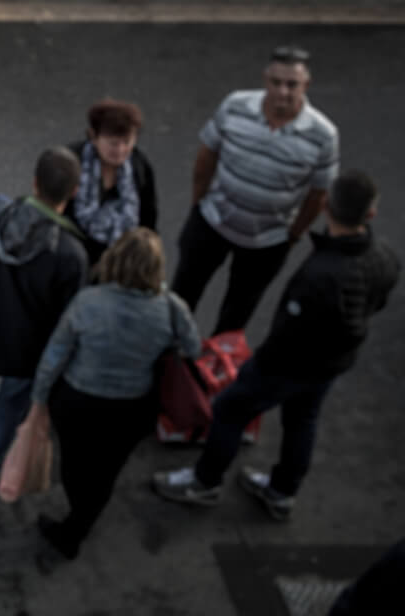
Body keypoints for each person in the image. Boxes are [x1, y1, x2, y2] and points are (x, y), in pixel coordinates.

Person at [153, 170, 398, 518]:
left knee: (228, 409)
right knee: (302, 421)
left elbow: (286, 333)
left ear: (326, 205)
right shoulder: (385, 257)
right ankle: (282, 491)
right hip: (332, 363)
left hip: (288, 365)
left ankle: (205, 481)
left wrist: (259, 366)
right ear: (370, 214)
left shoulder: (321, 274)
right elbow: (377, 302)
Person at [31, 229, 201, 562]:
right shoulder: (171, 307)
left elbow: (54, 357)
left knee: (75, 465)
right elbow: (193, 348)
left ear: (114, 260)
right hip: (132, 409)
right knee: (107, 469)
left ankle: (77, 514)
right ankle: (83, 519)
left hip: (78, 402)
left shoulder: (88, 302)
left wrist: (38, 401)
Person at [172, 46, 339, 335]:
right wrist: (199, 204)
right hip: (211, 223)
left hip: (266, 243)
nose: (282, 92)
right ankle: (166, 359)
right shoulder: (235, 105)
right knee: (180, 298)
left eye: (292, 85)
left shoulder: (323, 135)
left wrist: (293, 235)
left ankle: (214, 373)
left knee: (236, 315)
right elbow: (206, 157)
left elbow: (318, 195)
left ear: (306, 85)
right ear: (265, 79)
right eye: (276, 82)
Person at [0, 147, 89, 490]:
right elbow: (64, 322)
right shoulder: (70, 254)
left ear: (35, 182)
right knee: (9, 412)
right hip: (26, 353)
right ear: (74, 192)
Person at [66, 99, 159, 266]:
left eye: (127, 142)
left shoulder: (139, 167)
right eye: (113, 144)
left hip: (121, 261)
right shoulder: (72, 163)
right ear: (94, 137)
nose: (121, 150)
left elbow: (148, 216)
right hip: (77, 258)